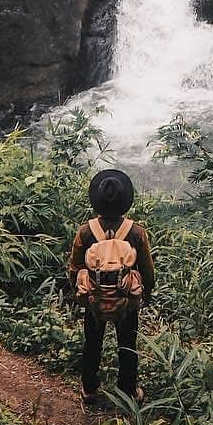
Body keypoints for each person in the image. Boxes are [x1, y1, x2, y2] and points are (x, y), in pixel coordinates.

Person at [67, 168, 155, 407]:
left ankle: (89, 388)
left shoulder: (85, 232)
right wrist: (146, 294)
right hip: (126, 298)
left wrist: (80, 294)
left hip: (95, 297)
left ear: (97, 202)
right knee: (127, 344)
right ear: (126, 202)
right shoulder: (136, 232)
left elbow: (74, 268)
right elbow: (147, 271)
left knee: (92, 342)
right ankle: (127, 391)